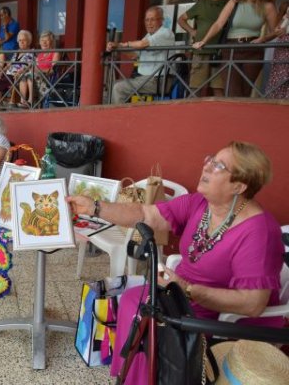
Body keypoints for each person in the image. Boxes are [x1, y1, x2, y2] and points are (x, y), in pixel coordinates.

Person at [66, 141, 284, 385]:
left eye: (218, 166)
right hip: (181, 296)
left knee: (147, 316)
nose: (207, 167)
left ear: (239, 186)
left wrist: (189, 290)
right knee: (132, 301)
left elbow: (252, 304)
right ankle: (134, 378)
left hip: (225, 317)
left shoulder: (259, 232)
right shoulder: (201, 204)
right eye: (210, 159)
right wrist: (95, 207)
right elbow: (147, 215)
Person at [193, 0, 278, 97]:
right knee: (232, 91)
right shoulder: (235, 1)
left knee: (245, 92)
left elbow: (275, 32)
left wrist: (264, 39)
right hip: (231, 49)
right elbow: (218, 24)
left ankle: (242, 114)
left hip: (253, 50)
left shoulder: (268, 6)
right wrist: (204, 40)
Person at [107, 6, 176, 104]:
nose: (149, 23)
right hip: (147, 79)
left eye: (152, 20)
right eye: (147, 20)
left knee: (119, 88)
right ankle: (126, 113)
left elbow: (142, 44)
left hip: (160, 81)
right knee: (116, 84)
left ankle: (119, 117)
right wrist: (118, 48)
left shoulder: (165, 33)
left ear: (161, 20)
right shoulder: (149, 35)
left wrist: (123, 44)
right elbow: (134, 55)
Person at [178, 0, 230, 97]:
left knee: (219, 90)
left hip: (221, 53)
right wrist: (192, 31)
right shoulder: (202, 3)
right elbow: (181, 19)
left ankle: (220, 114)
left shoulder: (231, 2)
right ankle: (192, 114)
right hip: (200, 52)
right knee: (194, 90)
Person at [0, 30, 34, 107]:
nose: (21, 42)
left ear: (29, 41)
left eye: (24, 40)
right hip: (7, 75)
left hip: (15, 76)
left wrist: (20, 72)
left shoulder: (31, 52)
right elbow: (9, 65)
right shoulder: (17, 52)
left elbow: (29, 66)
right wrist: (0, 73)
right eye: (20, 40)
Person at [28, 30, 61, 107]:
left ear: (52, 42)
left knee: (30, 75)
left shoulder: (55, 53)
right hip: (35, 77)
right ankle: (24, 101)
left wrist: (38, 70)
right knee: (24, 76)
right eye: (42, 41)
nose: (44, 43)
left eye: (47, 40)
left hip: (48, 79)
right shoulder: (40, 55)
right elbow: (33, 67)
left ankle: (31, 101)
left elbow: (52, 70)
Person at [266, 2, 289, 99]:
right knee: (280, 75)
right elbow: (278, 30)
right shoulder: (283, 18)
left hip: (284, 49)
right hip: (281, 51)